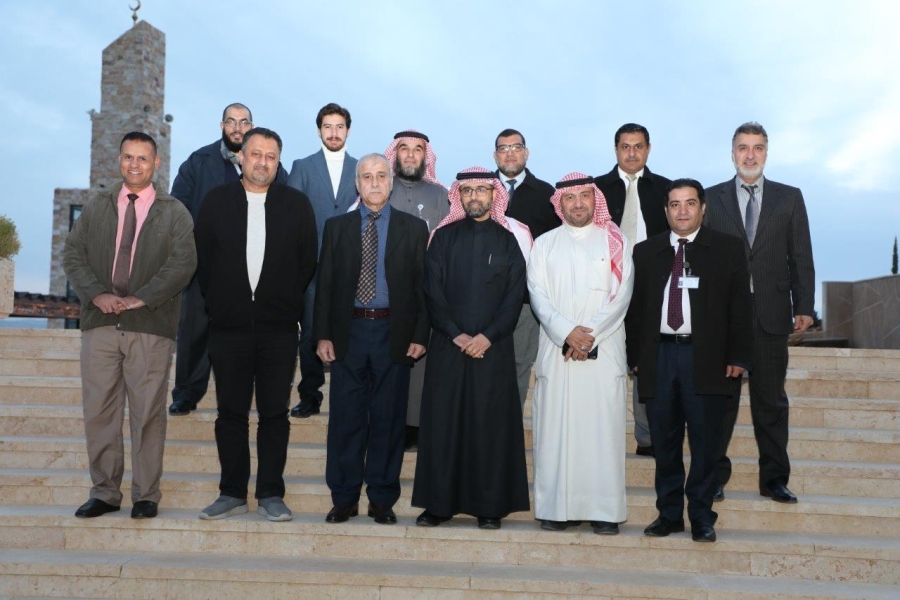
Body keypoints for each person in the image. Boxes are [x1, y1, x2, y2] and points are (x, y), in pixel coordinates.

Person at [63, 132, 196, 519]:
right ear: (119, 159)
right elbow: (73, 254)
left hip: (150, 325)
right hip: (100, 323)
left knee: (147, 412)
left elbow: (183, 264)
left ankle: (146, 495)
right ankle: (105, 492)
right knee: (99, 411)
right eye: (128, 157)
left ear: (156, 163)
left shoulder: (175, 212)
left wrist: (142, 297)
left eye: (142, 158)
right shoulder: (97, 206)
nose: (134, 164)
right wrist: (96, 294)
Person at [195, 128, 317, 522]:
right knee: (230, 412)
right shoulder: (216, 202)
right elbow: (204, 261)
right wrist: (223, 305)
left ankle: (270, 493)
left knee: (274, 414)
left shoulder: (296, 205)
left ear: (278, 162)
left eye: (270, 156)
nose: (262, 162)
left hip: (278, 329)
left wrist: (282, 303)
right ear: (241, 157)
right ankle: (231, 492)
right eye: (255, 154)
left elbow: (306, 262)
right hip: (228, 328)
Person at [626, 178, 752, 543]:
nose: (682, 211)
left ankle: (701, 516)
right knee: (664, 443)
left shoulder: (727, 249)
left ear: (702, 208)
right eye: (675, 204)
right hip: (660, 357)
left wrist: (738, 356)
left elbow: (741, 307)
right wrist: (636, 357)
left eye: (690, 203)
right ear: (666, 210)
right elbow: (635, 311)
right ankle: (668, 515)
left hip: (708, 358)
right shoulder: (645, 252)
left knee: (705, 442)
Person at [313, 154, 429, 524]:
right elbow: (325, 284)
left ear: (390, 183)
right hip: (348, 333)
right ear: (357, 184)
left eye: (381, 176)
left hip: (393, 333)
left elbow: (422, 287)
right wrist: (322, 335)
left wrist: (419, 334)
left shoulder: (414, 228)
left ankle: (381, 498)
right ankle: (344, 498)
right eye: (367, 176)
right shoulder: (337, 227)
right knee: (345, 419)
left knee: (389, 420)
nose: (375, 183)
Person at [412, 167, 530, 530]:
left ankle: (489, 506)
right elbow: (432, 291)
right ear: (458, 196)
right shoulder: (442, 238)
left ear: (494, 195)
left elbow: (515, 297)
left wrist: (487, 337)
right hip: (449, 347)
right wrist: (456, 334)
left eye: (481, 189)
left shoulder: (507, 241)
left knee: (488, 426)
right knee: (443, 425)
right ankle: (438, 505)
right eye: (467, 190)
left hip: (493, 349)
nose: (474, 196)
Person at [705, 122, 815, 504]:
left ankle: (774, 479)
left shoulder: (789, 198)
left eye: (757, 148)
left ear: (767, 152)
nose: (750, 155)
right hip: (724, 319)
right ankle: (713, 477)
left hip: (771, 313)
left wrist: (804, 306)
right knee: (721, 402)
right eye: (743, 148)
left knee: (771, 402)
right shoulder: (711, 198)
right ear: (732, 153)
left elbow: (800, 254)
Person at [527, 173, 633, 534]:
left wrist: (587, 336)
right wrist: (566, 333)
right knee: (556, 433)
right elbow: (538, 296)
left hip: (603, 352)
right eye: (570, 198)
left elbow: (622, 296)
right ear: (560, 204)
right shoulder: (544, 244)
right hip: (558, 353)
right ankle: (557, 510)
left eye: (584, 196)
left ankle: (605, 512)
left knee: (602, 434)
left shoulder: (616, 241)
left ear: (595, 199)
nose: (578, 204)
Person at [168, 103, 287, 416]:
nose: (238, 127)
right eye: (231, 122)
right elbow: (178, 208)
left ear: (252, 126)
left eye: (244, 122)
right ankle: (186, 393)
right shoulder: (199, 162)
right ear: (222, 126)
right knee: (195, 329)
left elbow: (285, 206)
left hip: (255, 268)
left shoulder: (269, 164)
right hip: (206, 265)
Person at [594, 123, 672, 457]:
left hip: (653, 286)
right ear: (616, 150)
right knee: (606, 359)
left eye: (638, 146)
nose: (631, 153)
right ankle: (599, 435)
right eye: (625, 146)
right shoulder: (595, 189)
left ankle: (647, 436)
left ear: (648, 149)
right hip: (603, 286)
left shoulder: (666, 189)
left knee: (646, 360)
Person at [286, 103, 359, 419]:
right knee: (311, 333)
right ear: (319, 131)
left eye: (339, 126)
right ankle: (310, 395)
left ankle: (348, 396)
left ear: (348, 131)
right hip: (312, 267)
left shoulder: (361, 168)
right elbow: (290, 215)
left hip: (354, 268)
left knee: (351, 332)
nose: (333, 132)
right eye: (328, 126)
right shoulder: (302, 167)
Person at [383, 129, 449, 449]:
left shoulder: (440, 195)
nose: (410, 155)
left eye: (418, 149)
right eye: (404, 148)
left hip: (425, 292)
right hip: (384, 292)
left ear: (426, 156)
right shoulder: (380, 187)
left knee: (420, 364)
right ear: (394, 153)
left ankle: (414, 425)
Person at [493, 128, 560, 407]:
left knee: (519, 364)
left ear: (526, 152)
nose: (510, 153)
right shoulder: (479, 191)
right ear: (495, 155)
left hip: (525, 302)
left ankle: (510, 424)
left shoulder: (546, 194)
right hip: (483, 300)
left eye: (516, 147)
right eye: (503, 148)